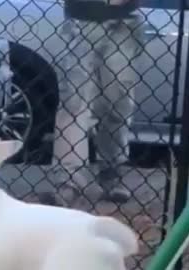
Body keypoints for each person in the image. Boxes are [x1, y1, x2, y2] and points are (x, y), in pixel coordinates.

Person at [53, 0, 144, 204]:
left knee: (117, 102)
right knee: (74, 103)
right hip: (81, 18)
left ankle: (112, 171)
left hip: (124, 23)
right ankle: (68, 181)